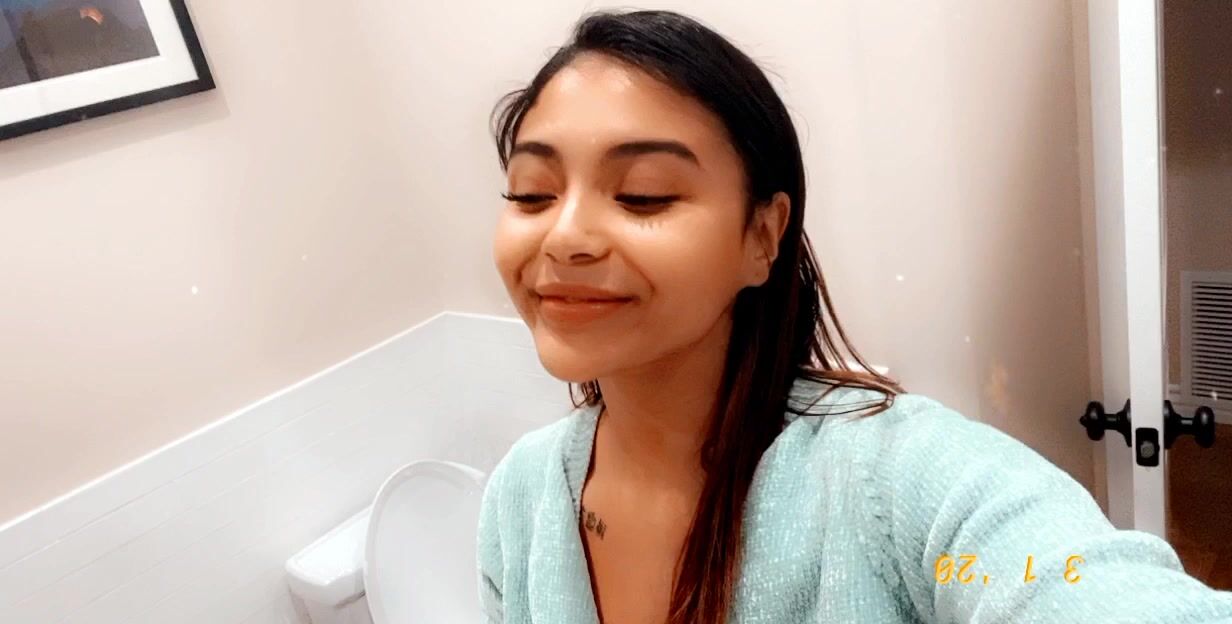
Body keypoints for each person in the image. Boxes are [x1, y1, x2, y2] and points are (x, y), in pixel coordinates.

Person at [477, 9, 1232, 623]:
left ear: (762, 236)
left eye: (643, 194)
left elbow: (1071, 581)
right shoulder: (520, 495)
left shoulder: (899, 484)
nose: (565, 238)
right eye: (531, 193)